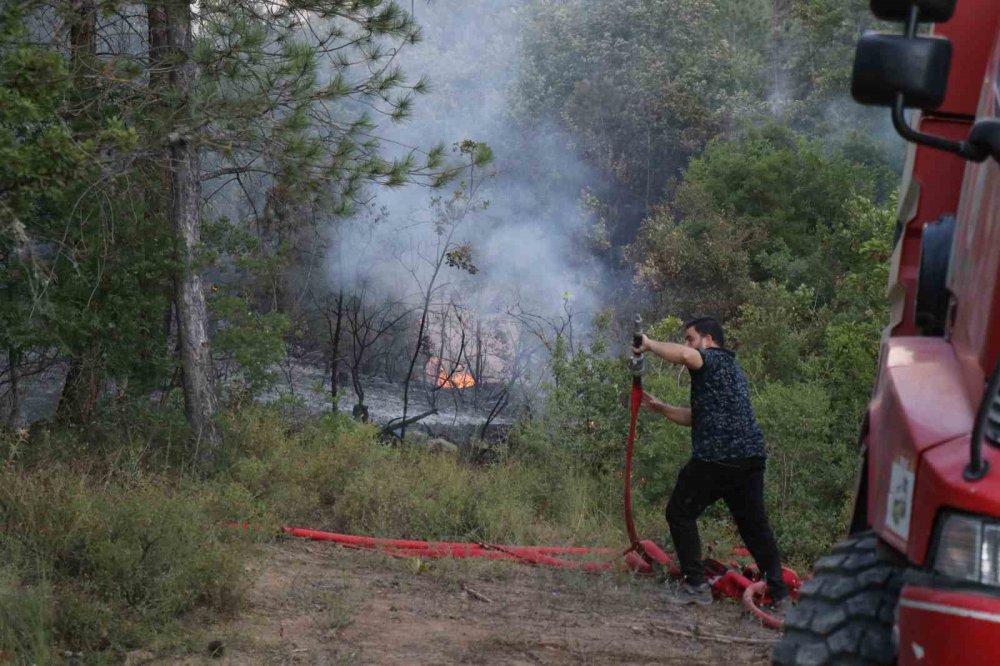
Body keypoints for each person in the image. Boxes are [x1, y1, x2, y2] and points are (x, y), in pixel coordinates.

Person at [632, 316, 790, 608]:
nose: (687, 344)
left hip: (718, 456)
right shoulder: (732, 371)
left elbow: (683, 355)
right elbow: (697, 417)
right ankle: (780, 596)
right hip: (750, 458)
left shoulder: (713, 358)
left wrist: (649, 344)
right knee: (755, 527)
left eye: (691, 338)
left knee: (679, 512)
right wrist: (662, 408)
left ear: (708, 340)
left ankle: (696, 586)